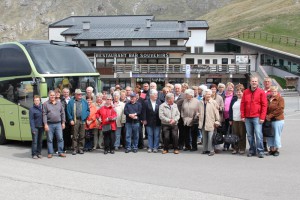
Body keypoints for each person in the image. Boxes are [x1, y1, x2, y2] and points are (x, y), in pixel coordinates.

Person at [241, 76, 267, 158]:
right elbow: (243, 104)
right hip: (247, 117)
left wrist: (262, 117)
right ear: (250, 82)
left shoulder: (261, 92)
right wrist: (243, 116)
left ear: (257, 82)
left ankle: (260, 151)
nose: (254, 82)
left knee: (258, 135)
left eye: (255, 81)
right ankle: (252, 150)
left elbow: (264, 105)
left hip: (257, 117)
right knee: (249, 135)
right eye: (253, 81)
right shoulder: (246, 92)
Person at [42, 90, 66, 158]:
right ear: (49, 96)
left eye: (53, 95)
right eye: (51, 95)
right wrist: (45, 124)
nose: (52, 96)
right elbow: (44, 114)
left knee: (60, 138)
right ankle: (50, 152)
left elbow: (62, 113)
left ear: (55, 95)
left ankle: (60, 152)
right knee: (50, 139)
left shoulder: (59, 103)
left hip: (58, 124)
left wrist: (63, 122)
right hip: (49, 124)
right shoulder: (45, 104)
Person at [67, 89, 90, 155]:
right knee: (74, 135)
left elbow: (88, 110)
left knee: (82, 135)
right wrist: (71, 119)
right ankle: (74, 149)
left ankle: (81, 148)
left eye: (81, 94)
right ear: (75, 95)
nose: (80, 95)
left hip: (82, 120)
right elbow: (68, 111)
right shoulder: (71, 102)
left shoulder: (84, 101)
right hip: (75, 120)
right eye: (78, 94)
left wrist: (85, 116)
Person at [198, 89, 220, 156]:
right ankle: (205, 149)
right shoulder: (201, 102)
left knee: (210, 137)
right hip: (203, 121)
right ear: (204, 95)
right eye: (207, 94)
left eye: (209, 94)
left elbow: (216, 112)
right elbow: (199, 111)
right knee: (204, 137)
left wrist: (217, 121)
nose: (208, 96)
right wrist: (198, 114)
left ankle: (211, 150)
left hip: (211, 121)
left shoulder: (213, 102)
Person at [266, 86, 285, 157]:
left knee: (276, 135)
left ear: (277, 92)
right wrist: (266, 116)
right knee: (269, 135)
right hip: (269, 120)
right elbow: (265, 108)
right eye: (272, 91)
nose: (273, 92)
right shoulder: (268, 99)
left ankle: (276, 149)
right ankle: (271, 149)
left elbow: (280, 109)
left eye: (275, 91)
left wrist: (270, 116)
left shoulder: (280, 99)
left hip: (278, 119)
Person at [229, 84, 246, 154]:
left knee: (242, 134)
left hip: (242, 120)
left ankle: (242, 148)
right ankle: (235, 148)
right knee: (235, 135)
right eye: (238, 91)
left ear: (243, 92)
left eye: (240, 91)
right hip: (234, 119)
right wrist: (230, 119)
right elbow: (230, 110)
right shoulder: (233, 99)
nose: (239, 93)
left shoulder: (245, 99)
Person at [223, 82, 234, 151]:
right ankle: (226, 145)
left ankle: (232, 145)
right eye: (228, 87)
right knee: (225, 131)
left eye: (231, 88)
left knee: (231, 131)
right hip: (224, 117)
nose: (229, 89)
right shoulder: (223, 96)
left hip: (232, 117)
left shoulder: (234, 96)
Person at [174, 84, 186, 150]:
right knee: (174, 132)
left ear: (181, 89)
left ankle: (181, 144)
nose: (177, 89)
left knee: (182, 131)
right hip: (173, 116)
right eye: (176, 88)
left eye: (178, 88)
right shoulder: (171, 95)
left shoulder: (184, 96)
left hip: (181, 116)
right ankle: (174, 144)